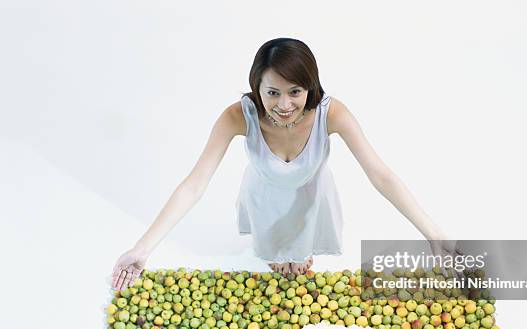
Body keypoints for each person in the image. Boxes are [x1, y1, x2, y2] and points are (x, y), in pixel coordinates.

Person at [112, 38, 458, 291]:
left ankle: (298, 251)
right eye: (272, 92)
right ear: (256, 88)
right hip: (264, 194)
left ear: (310, 87)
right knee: (273, 254)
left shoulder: (331, 113)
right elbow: (194, 184)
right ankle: (278, 251)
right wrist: (142, 249)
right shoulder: (238, 116)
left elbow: (381, 175)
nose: (284, 104)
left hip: (313, 195)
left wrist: (434, 234)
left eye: (295, 91)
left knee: (302, 248)